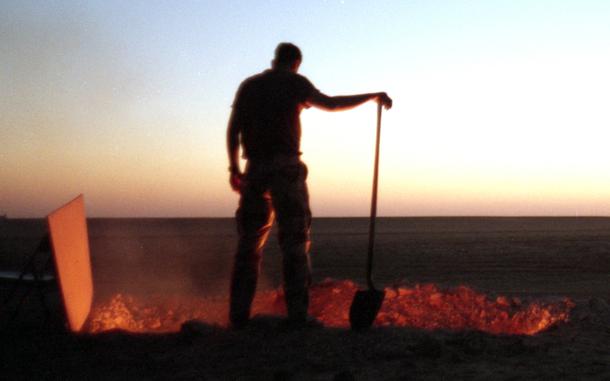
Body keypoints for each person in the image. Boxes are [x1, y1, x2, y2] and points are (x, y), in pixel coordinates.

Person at [227, 42, 392, 329]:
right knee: (294, 243)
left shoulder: (250, 86)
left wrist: (234, 168)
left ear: (274, 59)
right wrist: (371, 96)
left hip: (254, 171)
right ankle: (297, 317)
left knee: (249, 246)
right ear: (296, 63)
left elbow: (233, 129)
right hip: (285, 169)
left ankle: (238, 317)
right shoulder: (295, 83)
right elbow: (331, 104)